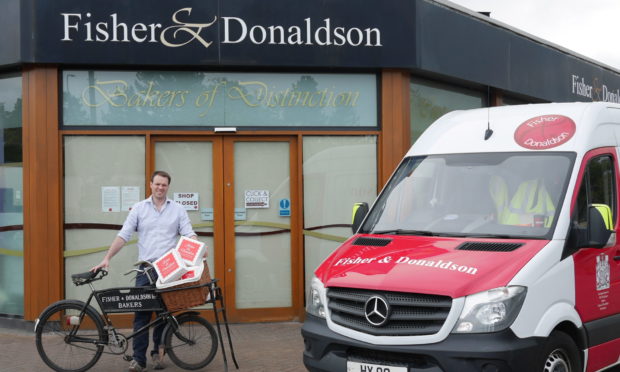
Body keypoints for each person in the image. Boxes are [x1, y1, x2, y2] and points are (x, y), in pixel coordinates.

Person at [92, 170, 197, 372]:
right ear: (150, 184)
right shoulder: (139, 209)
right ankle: (139, 360)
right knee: (141, 315)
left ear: (168, 187)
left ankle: (157, 354)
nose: (160, 188)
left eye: (164, 185)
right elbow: (123, 235)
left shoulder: (178, 209)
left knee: (164, 314)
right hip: (146, 270)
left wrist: (198, 248)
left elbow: (188, 233)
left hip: (169, 269)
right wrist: (107, 258)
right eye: (157, 184)